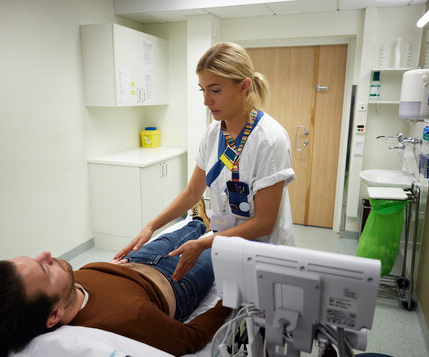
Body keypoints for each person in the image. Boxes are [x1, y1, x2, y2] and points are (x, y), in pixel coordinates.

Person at [115, 41, 295, 282]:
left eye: (215, 90)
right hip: (225, 245)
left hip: (262, 253)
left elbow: (264, 223)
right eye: (203, 90)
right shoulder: (213, 134)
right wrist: (151, 226)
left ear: (244, 86)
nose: (206, 101)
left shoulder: (269, 140)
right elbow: (192, 192)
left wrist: (203, 244)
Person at [0, 213, 230, 357]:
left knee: (189, 228)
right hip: (176, 280)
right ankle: (209, 228)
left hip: (133, 260)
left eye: (35, 258)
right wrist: (230, 301)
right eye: (45, 270)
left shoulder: (59, 295)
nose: (47, 254)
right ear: (54, 316)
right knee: (221, 242)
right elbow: (191, 337)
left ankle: (198, 221)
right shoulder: (130, 321)